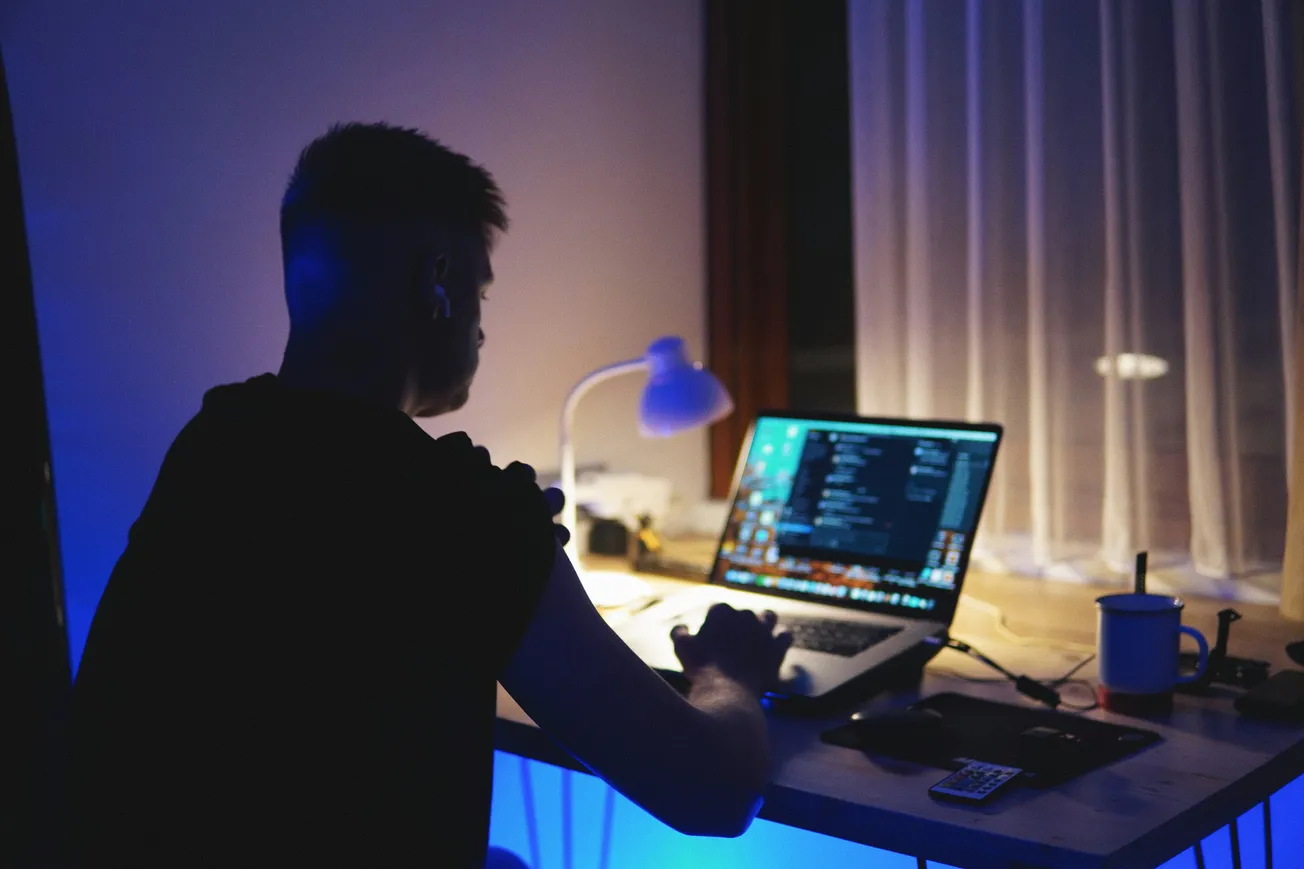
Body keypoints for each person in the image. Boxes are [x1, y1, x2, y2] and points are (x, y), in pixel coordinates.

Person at [67, 122, 792, 868]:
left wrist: (506, 560)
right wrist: (727, 674)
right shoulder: (458, 512)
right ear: (435, 282)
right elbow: (713, 793)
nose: (482, 330)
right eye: (481, 290)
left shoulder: (215, 443)